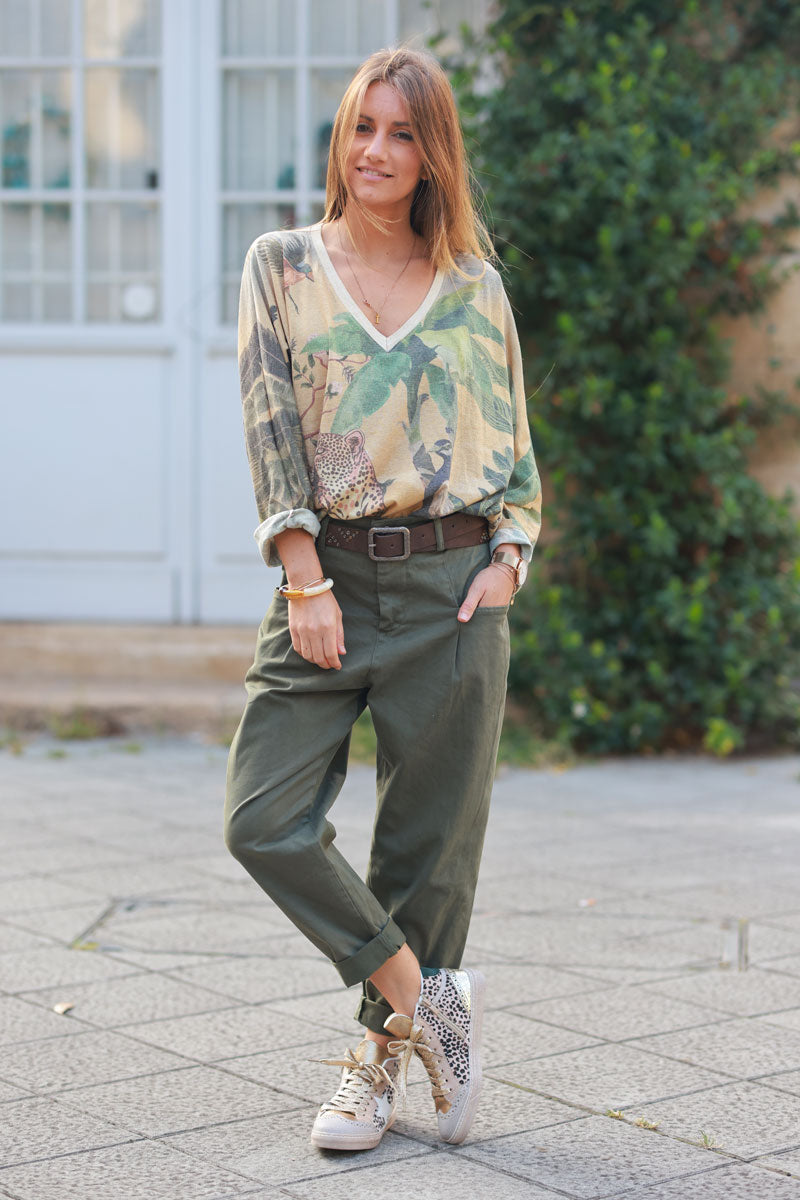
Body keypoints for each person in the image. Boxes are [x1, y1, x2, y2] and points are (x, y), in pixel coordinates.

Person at [223, 45, 541, 1152]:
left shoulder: (473, 288)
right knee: (261, 818)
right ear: (341, 137)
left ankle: (374, 1065)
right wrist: (303, 576)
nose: (376, 151)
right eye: (363, 126)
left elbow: (514, 457)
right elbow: (271, 431)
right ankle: (427, 1002)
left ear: (431, 153)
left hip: (452, 585)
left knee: (425, 851)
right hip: (330, 580)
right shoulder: (282, 264)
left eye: (403, 133)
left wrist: (506, 561)